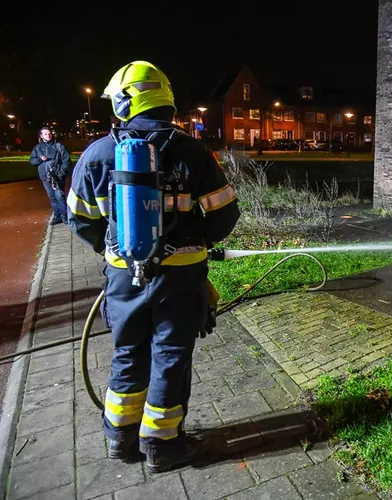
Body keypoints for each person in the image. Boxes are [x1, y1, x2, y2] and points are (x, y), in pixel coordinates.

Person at [67, 61, 240, 473]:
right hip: (180, 278)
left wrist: (115, 252)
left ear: (126, 101)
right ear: (164, 98)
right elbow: (225, 213)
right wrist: (200, 242)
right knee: (171, 355)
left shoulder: (97, 154)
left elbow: (79, 218)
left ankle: (119, 437)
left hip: (124, 278)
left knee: (127, 352)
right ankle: (163, 445)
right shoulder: (193, 151)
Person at [30, 127, 71, 225]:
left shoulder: (58, 146)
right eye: (45, 134)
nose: (48, 136)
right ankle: (57, 216)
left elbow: (67, 160)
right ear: (41, 135)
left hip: (57, 176)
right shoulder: (37, 148)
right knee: (52, 197)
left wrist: (61, 171)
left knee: (60, 196)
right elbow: (32, 161)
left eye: (49, 133)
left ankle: (64, 216)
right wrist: (40, 160)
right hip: (45, 176)